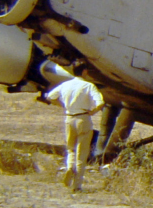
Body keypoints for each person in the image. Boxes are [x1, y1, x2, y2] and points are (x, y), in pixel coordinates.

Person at [40, 63, 105, 192]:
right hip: (83, 118)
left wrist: (62, 105)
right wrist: (93, 112)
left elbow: (49, 97)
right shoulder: (88, 86)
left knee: (71, 149)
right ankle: (77, 185)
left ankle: (69, 167)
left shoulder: (65, 85)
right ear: (85, 72)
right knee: (82, 152)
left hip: (69, 118)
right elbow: (101, 102)